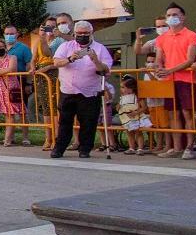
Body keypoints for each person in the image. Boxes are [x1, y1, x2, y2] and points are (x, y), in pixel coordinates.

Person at [50, 20, 112, 159]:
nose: (82, 35)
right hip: (68, 91)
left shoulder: (100, 48)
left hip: (90, 92)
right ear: (74, 33)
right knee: (65, 122)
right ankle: (59, 148)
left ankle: (85, 149)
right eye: (79, 33)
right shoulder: (66, 46)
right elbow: (56, 62)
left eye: (85, 33)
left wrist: (95, 60)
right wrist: (70, 59)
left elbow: (105, 70)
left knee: (88, 122)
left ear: (91, 34)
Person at [153, 3, 196, 159]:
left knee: (187, 114)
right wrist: (158, 67)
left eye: (175, 14)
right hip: (168, 81)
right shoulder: (162, 38)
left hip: (186, 80)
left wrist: (170, 69)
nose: (172, 18)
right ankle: (176, 147)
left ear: (183, 16)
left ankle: (189, 147)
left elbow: (190, 60)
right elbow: (159, 58)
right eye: (169, 15)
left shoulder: (191, 35)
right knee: (173, 115)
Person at [117, 77, 151, 155]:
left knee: (138, 132)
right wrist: (118, 107)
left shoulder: (137, 97)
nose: (121, 89)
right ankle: (131, 148)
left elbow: (144, 107)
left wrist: (136, 112)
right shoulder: (122, 97)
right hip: (126, 118)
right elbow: (120, 106)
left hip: (136, 117)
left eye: (123, 87)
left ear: (130, 88)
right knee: (129, 133)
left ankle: (140, 148)